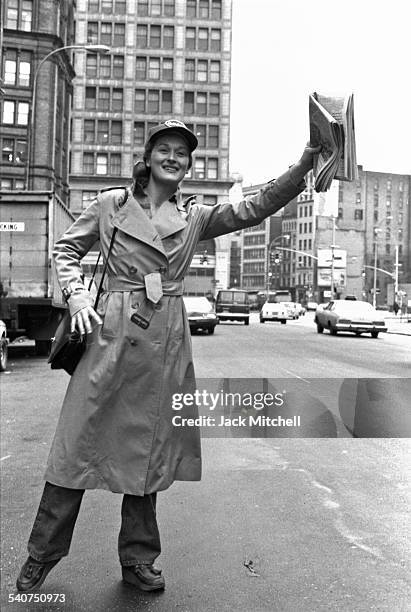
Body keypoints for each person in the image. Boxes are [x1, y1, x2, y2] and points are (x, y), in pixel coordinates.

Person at [16, 119, 319, 593]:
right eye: (166, 149)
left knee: (148, 451)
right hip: (110, 337)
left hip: (164, 344)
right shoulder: (111, 204)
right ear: (149, 156)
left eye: (183, 152)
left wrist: (304, 163)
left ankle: (138, 558)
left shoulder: (194, 217)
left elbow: (256, 207)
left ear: (188, 164)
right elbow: (66, 249)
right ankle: (42, 554)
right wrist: (75, 295)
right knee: (75, 447)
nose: (174, 157)